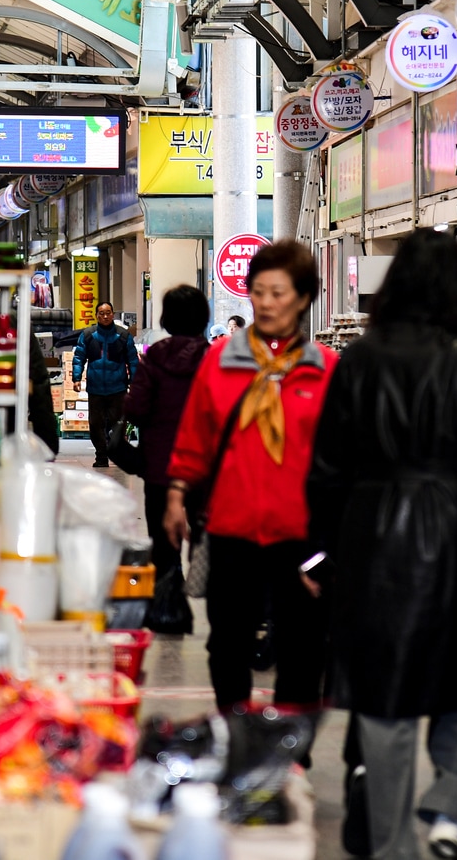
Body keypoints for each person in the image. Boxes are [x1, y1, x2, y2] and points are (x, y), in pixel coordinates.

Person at [306, 229, 457, 860]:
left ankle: (391, 843)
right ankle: (452, 808)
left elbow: (327, 465)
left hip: (371, 539)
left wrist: (318, 550)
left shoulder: (360, 359)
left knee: (385, 698)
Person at [165, 240, 337, 711]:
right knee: (227, 645)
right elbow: (195, 437)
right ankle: (235, 739)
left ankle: (289, 759)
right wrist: (177, 494)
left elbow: (343, 459)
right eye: (258, 291)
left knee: (303, 648)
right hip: (231, 529)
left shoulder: (326, 371)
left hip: (300, 535)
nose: (265, 302)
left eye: (278, 292)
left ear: (303, 298)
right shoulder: (220, 362)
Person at [124, 285, 210, 630]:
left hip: (160, 465)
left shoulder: (155, 356)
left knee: (163, 539)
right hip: (204, 466)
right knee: (203, 530)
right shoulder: (214, 357)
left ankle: (167, 607)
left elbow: (136, 408)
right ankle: (203, 591)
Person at [73, 302, 139, 468]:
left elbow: (133, 360)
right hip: (95, 388)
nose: (105, 316)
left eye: (108, 313)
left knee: (117, 425)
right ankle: (101, 456)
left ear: (113, 314)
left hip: (118, 388)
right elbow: (79, 357)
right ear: (96, 315)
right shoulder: (88, 335)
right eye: (101, 313)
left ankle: (117, 453)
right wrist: (76, 378)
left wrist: (135, 381)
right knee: (95, 424)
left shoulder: (123, 336)